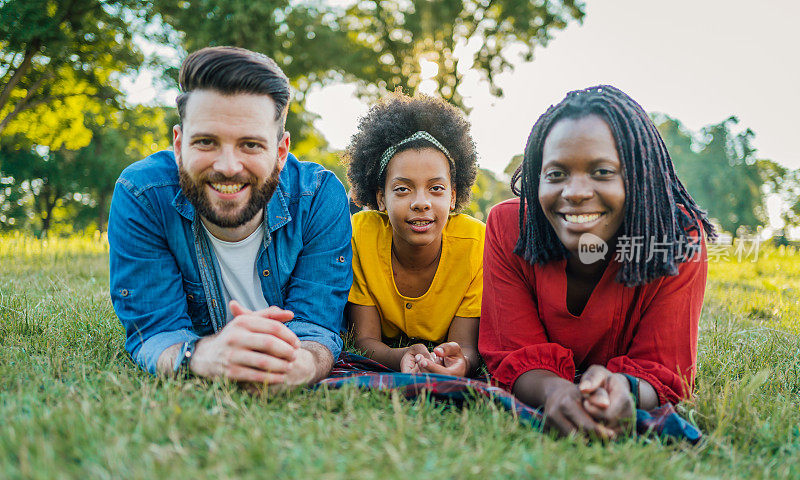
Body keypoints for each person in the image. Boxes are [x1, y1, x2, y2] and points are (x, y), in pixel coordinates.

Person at [108, 46, 352, 386]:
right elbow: (153, 330)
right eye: (206, 142)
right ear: (178, 146)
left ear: (280, 151)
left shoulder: (318, 197)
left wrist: (304, 365)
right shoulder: (142, 194)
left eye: (250, 145)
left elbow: (317, 324)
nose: (227, 167)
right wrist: (205, 356)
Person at [479, 85, 713, 438]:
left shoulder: (677, 238)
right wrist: (553, 391)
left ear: (640, 176)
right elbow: (513, 352)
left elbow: (663, 369)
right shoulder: (509, 227)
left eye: (602, 172)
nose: (574, 192)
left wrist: (627, 391)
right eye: (555, 174)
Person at [344, 92, 484, 377]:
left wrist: (462, 362)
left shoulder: (476, 245)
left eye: (436, 188)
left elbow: (465, 346)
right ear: (381, 199)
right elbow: (365, 340)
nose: (421, 202)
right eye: (402, 189)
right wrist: (400, 356)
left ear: (453, 197)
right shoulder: (361, 235)